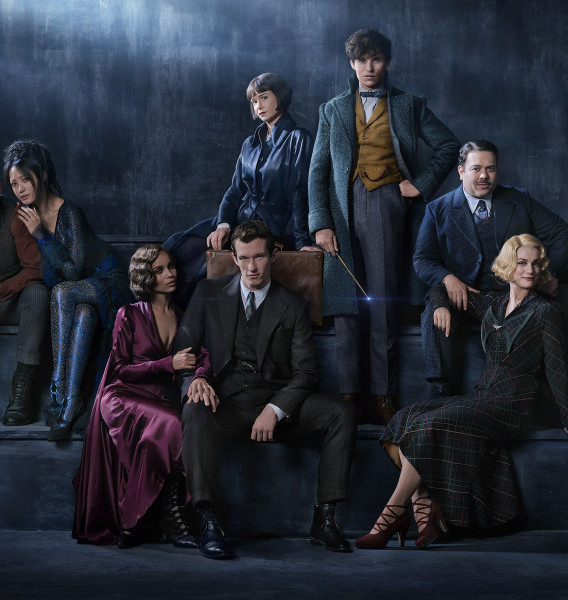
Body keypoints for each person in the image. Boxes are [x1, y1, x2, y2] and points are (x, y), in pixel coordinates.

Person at [355, 234, 568, 550]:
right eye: (522, 262)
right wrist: (441, 305)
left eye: (536, 264)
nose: (530, 270)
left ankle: (393, 513)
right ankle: (425, 509)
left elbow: (557, 369)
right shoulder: (493, 305)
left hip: (513, 404)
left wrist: (567, 415)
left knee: (428, 424)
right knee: (405, 418)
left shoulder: (546, 312)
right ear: (508, 265)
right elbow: (440, 288)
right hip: (483, 396)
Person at [174, 221, 357, 560]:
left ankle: (324, 519)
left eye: (259, 256)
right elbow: (183, 352)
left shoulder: (293, 304)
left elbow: (307, 373)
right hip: (226, 404)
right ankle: (207, 520)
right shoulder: (207, 292)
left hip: (276, 405)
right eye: (244, 258)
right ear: (233, 257)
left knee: (342, 414)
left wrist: (275, 409)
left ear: (273, 256)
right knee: (194, 409)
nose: (252, 267)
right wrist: (194, 380)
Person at [308, 28, 459, 424]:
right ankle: (350, 395)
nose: (369, 67)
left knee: (382, 302)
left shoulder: (409, 104)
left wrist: (420, 185)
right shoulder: (332, 109)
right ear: (352, 63)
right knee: (346, 306)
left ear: (387, 62)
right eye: (362, 60)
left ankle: (382, 395)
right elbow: (318, 169)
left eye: (376, 59)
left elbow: (448, 145)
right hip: (340, 210)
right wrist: (320, 223)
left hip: (386, 204)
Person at [72, 244, 211, 547]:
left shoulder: (184, 316)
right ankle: (168, 521)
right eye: (159, 270)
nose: (169, 274)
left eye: (171, 266)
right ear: (145, 276)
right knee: (172, 425)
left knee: (159, 436)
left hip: (159, 399)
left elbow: (202, 355)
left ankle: (134, 521)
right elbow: (120, 369)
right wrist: (167, 364)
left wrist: (200, 375)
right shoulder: (130, 314)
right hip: (122, 396)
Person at [414, 140, 568, 396]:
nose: (484, 175)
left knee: (560, 306)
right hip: (467, 296)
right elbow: (423, 259)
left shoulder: (519, 200)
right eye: (476, 168)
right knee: (435, 310)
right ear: (461, 171)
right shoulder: (438, 209)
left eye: (490, 168)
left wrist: (547, 274)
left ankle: (550, 396)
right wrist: (448, 277)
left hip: (515, 295)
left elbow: (563, 233)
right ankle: (439, 391)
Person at [3, 140, 132, 440]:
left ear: (42, 175)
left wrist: (41, 234)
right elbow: (47, 275)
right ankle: (71, 403)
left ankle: (57, 387)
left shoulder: (69, 211)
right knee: (83, 314)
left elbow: (73, 271)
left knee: (63, 292)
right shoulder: (25, 216)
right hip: (78, 298)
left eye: (25, 179)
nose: (20, 189)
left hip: (107, 283)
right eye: (14, 183)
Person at [164, 73, 319, 305]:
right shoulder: (250, 143)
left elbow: (300, 192)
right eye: (254, 101)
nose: (259, 106)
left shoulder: (298, 138)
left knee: (203, 271)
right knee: (178, 247)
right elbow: (235, 190)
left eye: (264, 97)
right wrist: (223, 225)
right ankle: (166, 320)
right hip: (237, 219)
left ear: (280, 97)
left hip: (271, 227)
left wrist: (302, 242)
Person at [0, 160, 49, 425]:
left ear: (0, 189)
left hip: (13, 300)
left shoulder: (16, 215)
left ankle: (21, 391)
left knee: (38, 293)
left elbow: (34, 269)